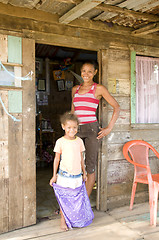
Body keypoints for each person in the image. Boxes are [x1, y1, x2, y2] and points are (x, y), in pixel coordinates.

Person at [71, 61, 120, 197]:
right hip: (76, 130)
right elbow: (73, 111)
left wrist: (109, 128)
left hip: (92, 130)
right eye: (83, 71)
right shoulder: (75, 89)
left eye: (89, 71)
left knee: (90, 166)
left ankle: (84, 204)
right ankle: (73, 200)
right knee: (74, 165)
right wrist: (69, 129)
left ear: (95, 73)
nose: (86, 74)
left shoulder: (98, 89)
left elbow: (117, 106)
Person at [49, 112, 94, 231]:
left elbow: (81, 158)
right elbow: (56, 159)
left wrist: (84, 173)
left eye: (74, 127)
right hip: (64, 176)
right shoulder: (60, 142)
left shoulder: (79, 141)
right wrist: (54, 176)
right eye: (69, 127)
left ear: (77, 127)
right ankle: (63, 220)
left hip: (77, 176)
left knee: (76, 198)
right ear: (63, 126)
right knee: (64, 199)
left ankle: (75, 219)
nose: (72, 130)